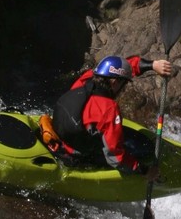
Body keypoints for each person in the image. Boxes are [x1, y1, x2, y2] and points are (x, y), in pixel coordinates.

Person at [38, 54, 173, 178]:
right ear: (115, 83)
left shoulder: (85, 80)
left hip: (60, 133)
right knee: (144, 148)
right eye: (124, 84)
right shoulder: (108, 109)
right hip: (75, 154)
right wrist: (143, 170)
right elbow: (116, 157)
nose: (123, 88)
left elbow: (118, 67)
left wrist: (152, 65)